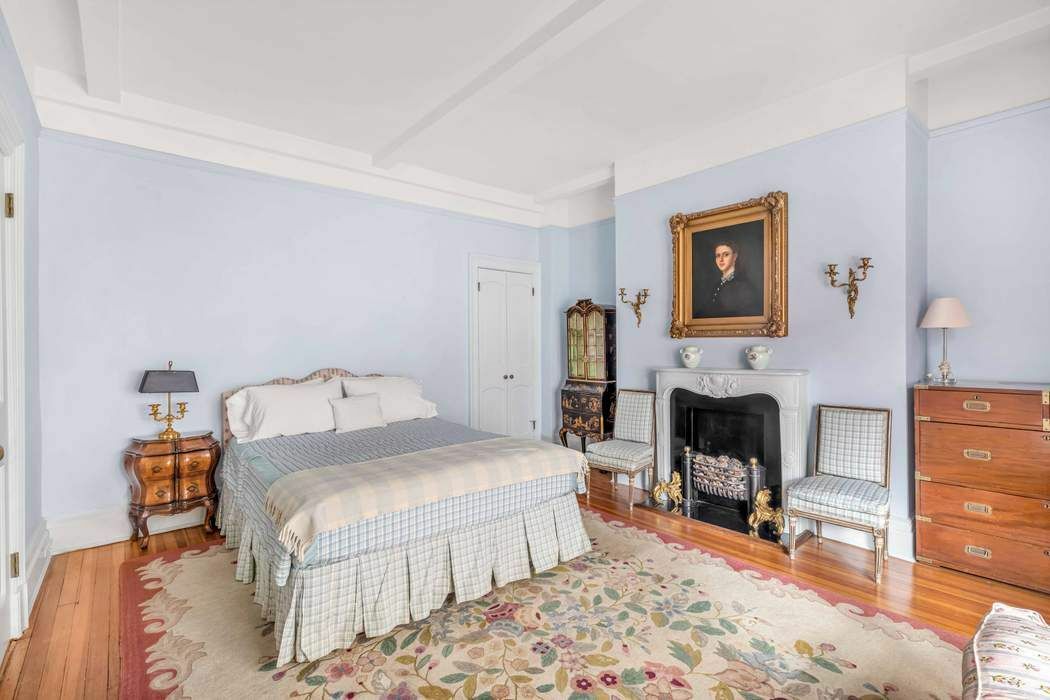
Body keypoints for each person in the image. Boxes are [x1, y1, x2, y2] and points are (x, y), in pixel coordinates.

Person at [695, 240, 761, 318]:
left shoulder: (743, 285)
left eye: (726, 254)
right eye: (718, 255)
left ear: (735, 257)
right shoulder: (717, 285)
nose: (721, 259)